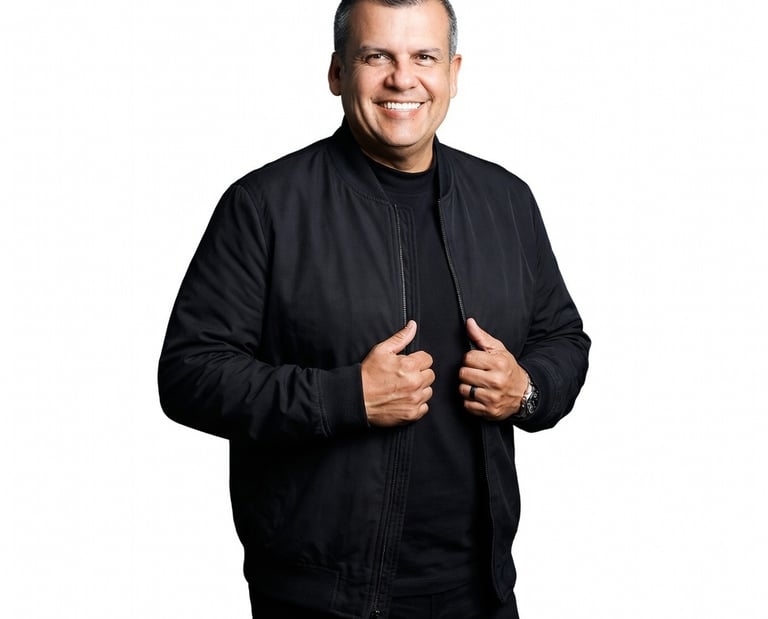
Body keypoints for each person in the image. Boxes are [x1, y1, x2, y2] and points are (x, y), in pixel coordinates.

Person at [158, 0, 590, 617]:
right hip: (322, 599)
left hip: (482, 589)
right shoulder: (264, 206)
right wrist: (345, 399)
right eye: (376, 56)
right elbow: (189, 375)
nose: (402, 78)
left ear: (454, 73)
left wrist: (527, 390)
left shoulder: (506, 200)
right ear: (338, 73)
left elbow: (563, 337)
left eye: (424, 57)